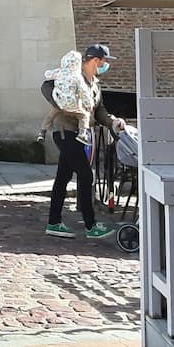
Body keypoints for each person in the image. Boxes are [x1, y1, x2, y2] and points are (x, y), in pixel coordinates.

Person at [45, 43, 125, 240]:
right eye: (104, 61)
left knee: (63, 177)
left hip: (80, 133)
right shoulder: (72, 75)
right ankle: (90, 225)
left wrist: (112, 121)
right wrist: (64, 104)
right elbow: (46, 86)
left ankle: (53, 223)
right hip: (66, 132)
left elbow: (100, 111)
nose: (106, 65)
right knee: (86, 175)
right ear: (96, 60)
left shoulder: (95, 84)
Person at [41, 49, 95, 145]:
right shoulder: (77, 77)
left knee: (50, 116)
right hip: (73, 104)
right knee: (84, 116)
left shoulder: (59, 72)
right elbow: (84, 92)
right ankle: (82, 134)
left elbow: (47, 74)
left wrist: (50, 73)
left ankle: (42, 132)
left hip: (59, 102)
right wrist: (89, 105)